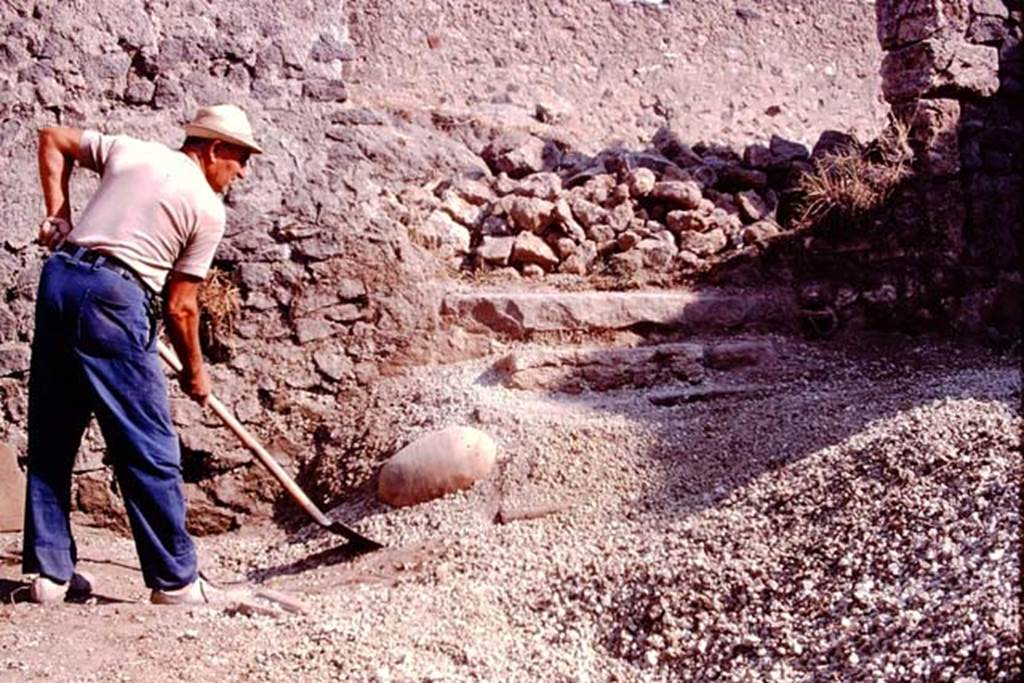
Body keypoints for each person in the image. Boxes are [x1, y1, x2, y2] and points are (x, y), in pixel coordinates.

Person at [23, 104, 262, 605]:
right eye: (240, 159)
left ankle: (50, 575)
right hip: (115, 297)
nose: (241, 173)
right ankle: (176, 581)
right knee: (148, 445)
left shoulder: (132, 149)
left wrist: (58, 215)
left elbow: (53, 137)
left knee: (53, 434)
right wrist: (196, 373)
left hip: (62, 278)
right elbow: (181, 306)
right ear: (215, 148)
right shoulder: (206, 209)